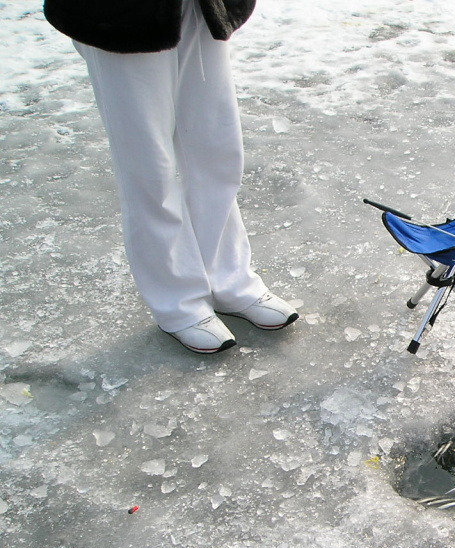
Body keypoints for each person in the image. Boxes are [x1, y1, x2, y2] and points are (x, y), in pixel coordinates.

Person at [43, 0, 298, 354]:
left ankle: (229, 280)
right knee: (149, 165)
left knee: (217, 148)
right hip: (120, 16)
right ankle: (178, 303)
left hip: (202, 5)